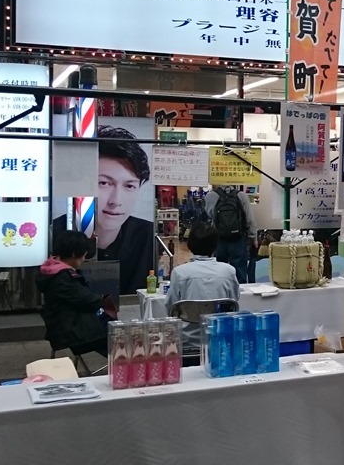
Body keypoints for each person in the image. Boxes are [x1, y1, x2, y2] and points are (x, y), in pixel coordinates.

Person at [54, 126, 155, 294]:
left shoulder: (147, 235)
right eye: (104, 183)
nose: (116, 201)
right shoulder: (54, 235)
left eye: (129, 186)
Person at [37, 231, 117, 358]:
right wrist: (103, 299)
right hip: (73, 333)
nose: (84, 260)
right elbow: (88, 300)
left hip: (66, 325)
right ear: (74, 254)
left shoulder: (51, 269)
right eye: (83, 256)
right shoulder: (62, 278)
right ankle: (122, 364)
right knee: (121, 335)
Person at [165, 223, 241, 352]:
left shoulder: (179, 273)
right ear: (215, 245)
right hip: (220, 340)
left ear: (190, 245)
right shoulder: (228, 271)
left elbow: (171, 308)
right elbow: (233, 302)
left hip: (187, 342)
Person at [206, 185, 258, 282]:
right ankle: (240, 290)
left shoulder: (210, 196)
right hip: (238, 238)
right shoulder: (241, 195)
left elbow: (210, 216)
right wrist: (253, 236)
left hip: (218, 238)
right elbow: (249, 219)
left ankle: (222, 289)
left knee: (219, 270)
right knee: (239, 271)